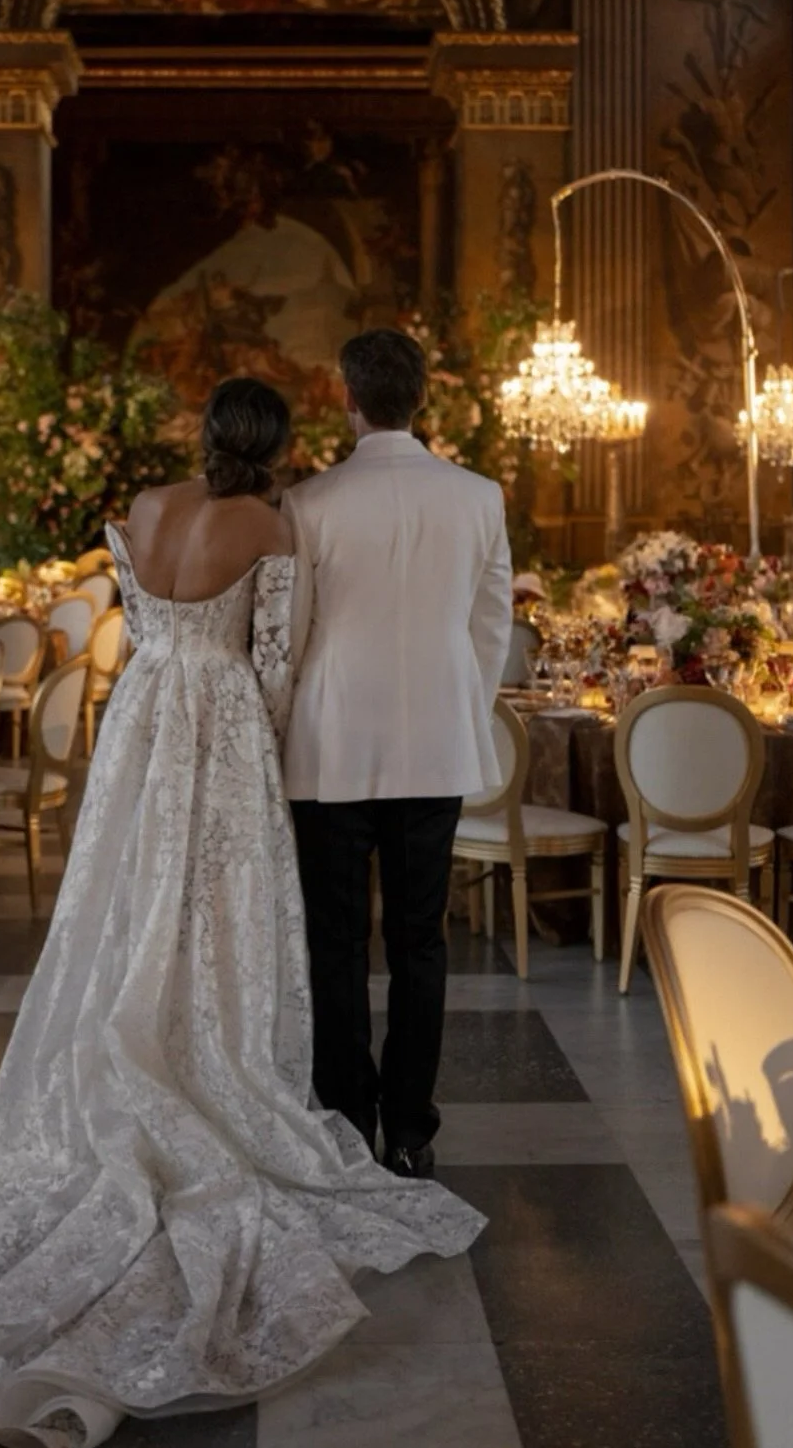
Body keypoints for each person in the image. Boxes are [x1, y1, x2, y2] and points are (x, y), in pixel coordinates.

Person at [0, 376, 486, 1447]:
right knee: (216, 905)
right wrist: (263, 741)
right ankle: (208, 1047)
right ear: (271, 445)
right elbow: (274, 663)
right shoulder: (268, 521)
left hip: (142, 716)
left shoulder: (144, 506)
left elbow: (139, 618)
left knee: (129, 893)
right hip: (217, 718)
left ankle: (136, 1031)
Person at [284, 329, 515, 1178]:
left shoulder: (309, 502)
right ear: (422, 398)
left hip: (332, 739)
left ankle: (347, 1120)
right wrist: (460, 702)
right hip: (436, 744)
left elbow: (295, 634)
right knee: (421, 940)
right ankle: (410, 1130)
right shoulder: (479, 495)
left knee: (337, 941)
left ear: (348, 397)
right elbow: (492, 624)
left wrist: (284, 716)